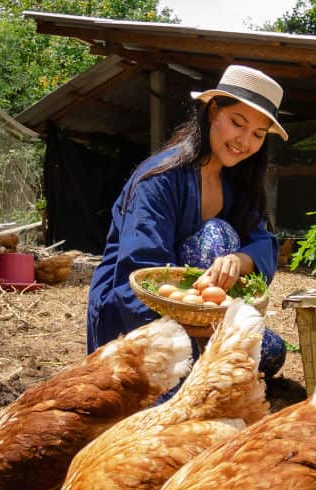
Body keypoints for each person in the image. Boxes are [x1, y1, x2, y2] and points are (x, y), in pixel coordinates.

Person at [86, 65, 288, 377]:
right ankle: (190, 361)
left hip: (203, 317)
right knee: (215, 234)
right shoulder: (160, 179)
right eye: (238, 123)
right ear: (212, 112)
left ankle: (203, 357)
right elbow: (141, 271)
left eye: (258, 134)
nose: (245, 141)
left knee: (272, 350)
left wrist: (239, 259)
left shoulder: (239, 181)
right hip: (139, 319)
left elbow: (264, 243)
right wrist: (194, 323)